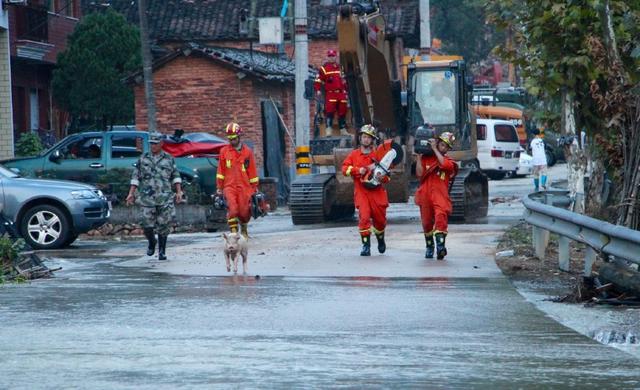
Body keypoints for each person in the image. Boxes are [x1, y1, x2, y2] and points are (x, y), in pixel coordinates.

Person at [126, 132, 183, 261]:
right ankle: (152, 242)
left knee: (164, 225)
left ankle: (162, 251)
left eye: (155, 143)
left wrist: (179, 191)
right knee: (146, 224)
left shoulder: (169, 158)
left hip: (165, 197)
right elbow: (135, 177)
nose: (153, 146)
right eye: (151, 143)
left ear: (162, 143)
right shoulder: (143, 158)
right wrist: (131, 193)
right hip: (147, 198)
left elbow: (176, 175)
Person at [341, 124, 389, 256]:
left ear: (372, 140)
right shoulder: (354, 155)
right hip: (361, 192)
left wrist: (381, 177)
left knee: (380, 220)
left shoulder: (378, 155)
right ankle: (366, 246)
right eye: (364, 137)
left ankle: (380, 238)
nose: (366, 140)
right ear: (360, 138)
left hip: (377, 192)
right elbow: (344, 169)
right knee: (364, 217)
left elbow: (387, 177)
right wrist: (357, 170)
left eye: (369, 137)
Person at [414, 132, 458, 260]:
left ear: (448, 149)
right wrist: (418, 158)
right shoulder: (425, 158)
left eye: (446, 147)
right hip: (425, 195)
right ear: (438, 143)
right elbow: (419, 174)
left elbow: (444, 165)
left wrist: (434, 149)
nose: (443, 148)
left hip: (440, 195)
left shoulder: (449, 162)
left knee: (440, 217)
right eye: (441, 145)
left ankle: (440, 247)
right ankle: (429, 246)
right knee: (427, 223)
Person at [216, 122, 259, 238]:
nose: (232, 141)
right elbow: (221, 171)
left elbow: (252, 171)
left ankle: (244, 229)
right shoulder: (224, 152)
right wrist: (219, 188)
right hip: (229, 186)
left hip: (245, 186)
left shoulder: (247, 152)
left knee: (245, 212)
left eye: (234, 138)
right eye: (230, 139)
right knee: (233, 209)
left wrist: (254, 187)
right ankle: (234, 233)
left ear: (239, 137)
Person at [314, 49, 349, 136]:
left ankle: (343, 129)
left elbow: (345, 80)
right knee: (329, 112)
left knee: (343, 111)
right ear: (327, 57)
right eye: (329, 56)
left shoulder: (341, 68)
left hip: (341, 93)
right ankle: (328, 129)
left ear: (336, 57)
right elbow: (318, 80)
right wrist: (318, 90)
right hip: (330, 93)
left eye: (333, 56)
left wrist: (347, 91)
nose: (331, 58)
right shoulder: (323, 69)